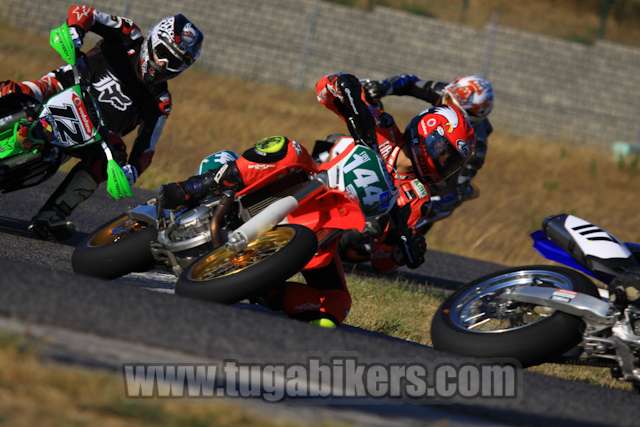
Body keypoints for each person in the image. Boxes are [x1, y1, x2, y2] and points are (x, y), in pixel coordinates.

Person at [0, 4, 203, 240]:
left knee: (105, 162)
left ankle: (51, 216)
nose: (165, 65)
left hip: (92, 135)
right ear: (154, 40)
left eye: (176, 62)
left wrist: (131, 171)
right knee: (15, 91)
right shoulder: (128, 34)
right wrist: (76, 30)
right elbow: (86, 12)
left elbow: (146, 149)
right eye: (165, 53)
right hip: (64, 86)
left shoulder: (160, 102)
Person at [160, 136, 351, 328]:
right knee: (289, 149)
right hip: (316, 176)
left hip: (336, 212)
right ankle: (193, 187)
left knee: (338, 302)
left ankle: (264, 289)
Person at [315, 72, 477, 272]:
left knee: (336, 302)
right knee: (288, 150)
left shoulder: (418, 196)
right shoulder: (384, 128)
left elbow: (382, 262)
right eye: (445, 154)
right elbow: (324, 91)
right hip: (310, 182)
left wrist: (400, 252)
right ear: (429, 133)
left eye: (452, 163)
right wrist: (342, 84)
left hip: (322, 240)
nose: (445, 164)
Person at [362, 74, 494, 195]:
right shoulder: (446, 94)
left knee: (444, 198)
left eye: (454, 107)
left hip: (444, 187)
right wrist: (382, 87)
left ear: (470, 117)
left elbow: (456, 187)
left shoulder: (477, 147)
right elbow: (410, 82)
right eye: (448, 99)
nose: (447, 107)